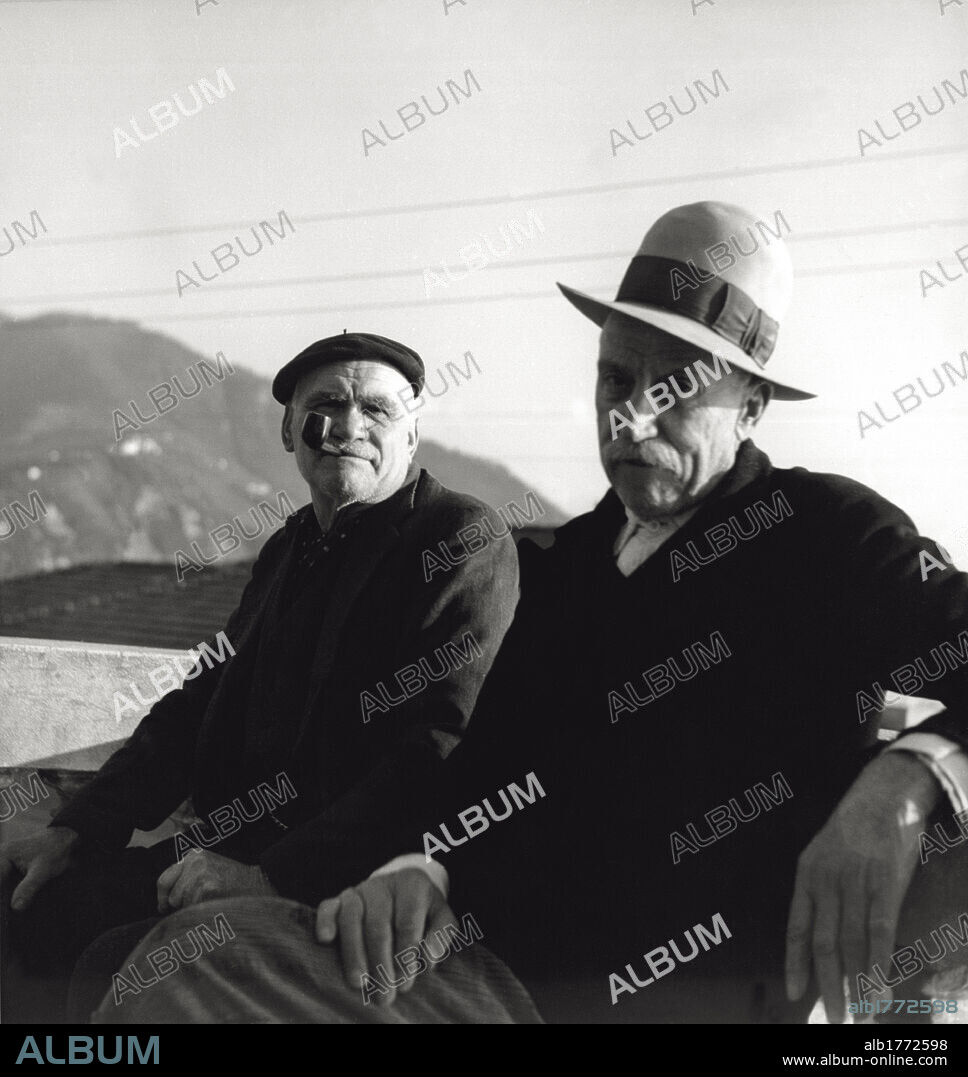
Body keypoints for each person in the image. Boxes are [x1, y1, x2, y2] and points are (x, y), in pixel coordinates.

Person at [87, 204, 968, 1025]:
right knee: (136, 954)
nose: (632, 412)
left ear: (751, 405)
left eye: (678, 384)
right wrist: (423, 866)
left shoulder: (829, 535)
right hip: (479, 960)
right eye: (616, 377)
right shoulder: (569, 563)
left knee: (185, 973)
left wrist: (911, 773)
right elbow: (483, 768)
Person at [0, 332, 519, 1023]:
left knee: (115, 961)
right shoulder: (289, 548)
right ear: (287, 429)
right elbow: (197, 706)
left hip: (352, 887)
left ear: (414, 430)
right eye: (325, 405)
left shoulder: (460, 538)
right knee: (25, 899)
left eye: (376, 410)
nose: (346, 426)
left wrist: (270, 875)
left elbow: (432, 750)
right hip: (221, 852)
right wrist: (76, 828)